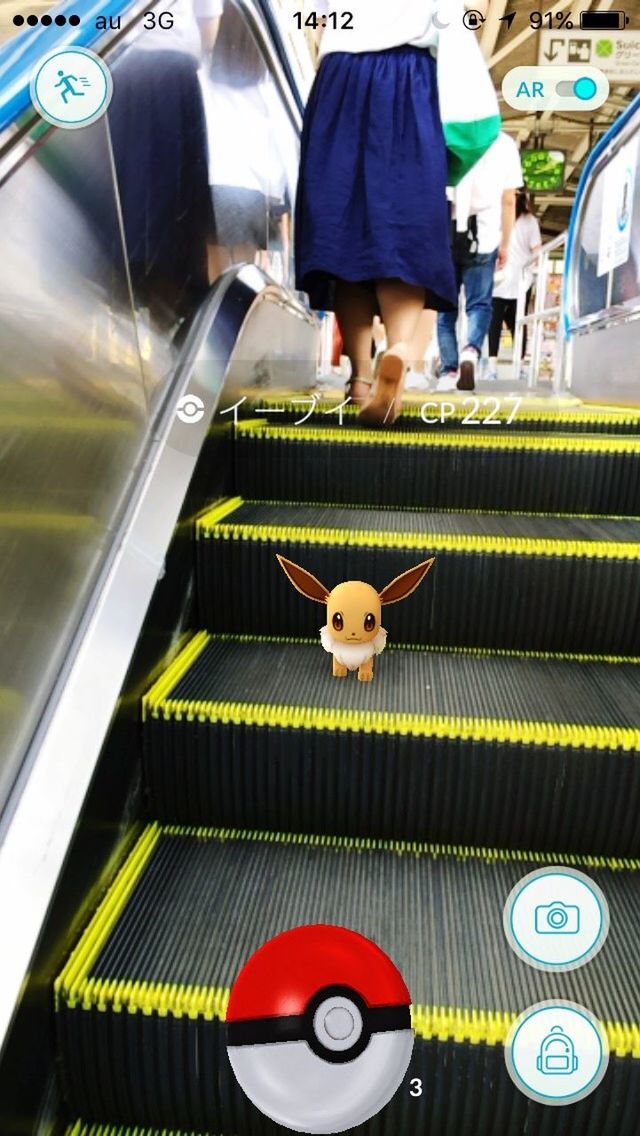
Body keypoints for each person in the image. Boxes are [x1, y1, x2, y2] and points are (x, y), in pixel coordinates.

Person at [295, 0, 490, 426]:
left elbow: (322, 17)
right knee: (401, 221)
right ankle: (399, 347)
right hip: (411, 79)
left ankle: (360, 379)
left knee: (345, 228)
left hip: (341, 78)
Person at [436, 130, 522, 392]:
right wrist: (505, 243)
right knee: (480, 304)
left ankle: (449, 371)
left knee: (446, 308)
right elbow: (508, 201)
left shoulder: (447, 133)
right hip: (485, 236)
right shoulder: (505, 143)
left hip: (446, 234)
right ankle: (471, 350)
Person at [487, 189, 541, 379]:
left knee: (493, 322)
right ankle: (519, 366)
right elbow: (537, 252)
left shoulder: (495, 215)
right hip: (521, 280)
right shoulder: (530, 221)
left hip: (497, 277)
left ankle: (492, 367)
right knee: (518, 324)